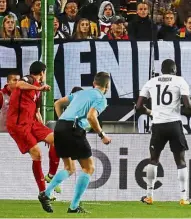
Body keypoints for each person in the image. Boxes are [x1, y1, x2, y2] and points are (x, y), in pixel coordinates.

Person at [136, 59, 191, 205]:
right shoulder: (180, 81)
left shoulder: (151, 82)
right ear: (174, 69)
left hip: (158, 126)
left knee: (153, 160)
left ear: (162, 70)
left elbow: (138, 106)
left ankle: (149, 196)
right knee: (180, 161)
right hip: (174, 124)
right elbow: (187, 104)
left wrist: (151, 112)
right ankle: (183, 198)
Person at [39, 72, 112, 213]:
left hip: (59, 128)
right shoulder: (101, 98)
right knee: (89, 168)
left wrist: (64, 121)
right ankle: (73, 206)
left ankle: (46, 193)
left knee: (69, 168)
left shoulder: (81, 93)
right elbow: (91, 116)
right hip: (73, 130)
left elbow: (57, 103)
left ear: (93, 83)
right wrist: (102, 135)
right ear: (107, 86)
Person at [5, 61, 61, 202]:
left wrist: (44, 133)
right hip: (19, 124)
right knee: (37, 154)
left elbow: (36, 112)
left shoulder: (37, 89)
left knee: (57, 139)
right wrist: (40, 88)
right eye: (45, 73)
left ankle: (51, 176)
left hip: (32, 122)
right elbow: (19, 84)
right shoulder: (29, 80)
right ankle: (43, 192)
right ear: (42, 73)